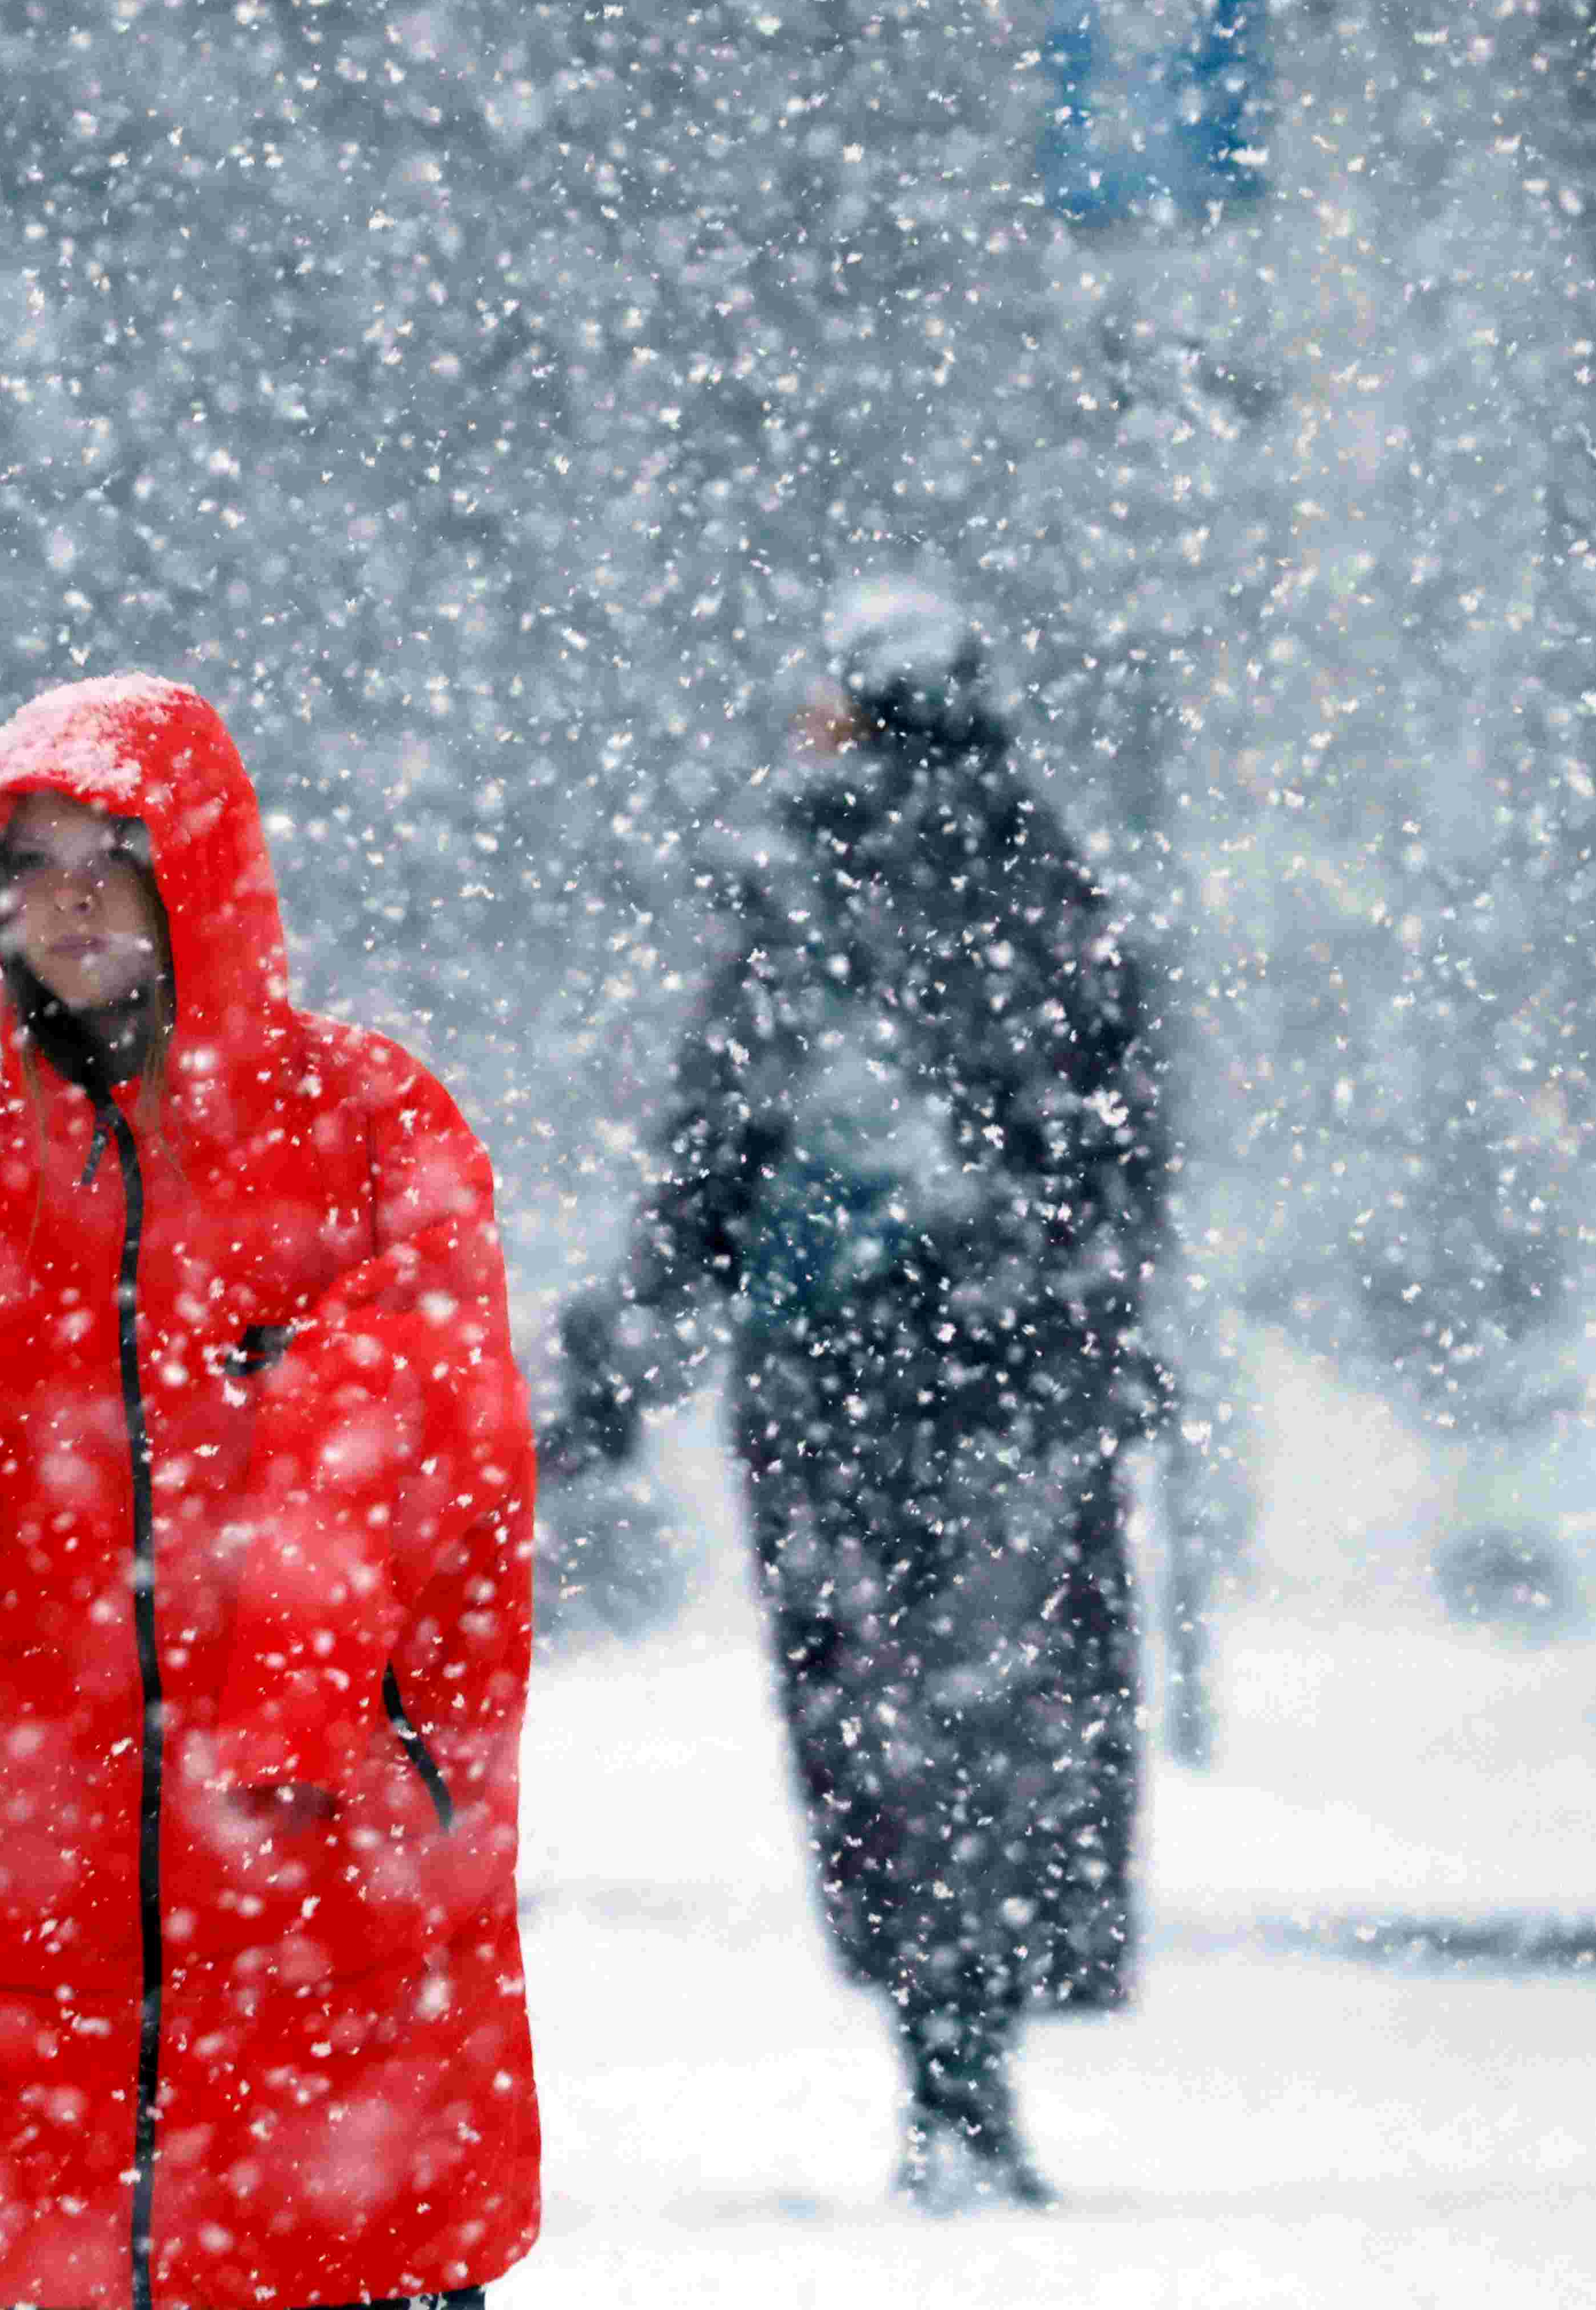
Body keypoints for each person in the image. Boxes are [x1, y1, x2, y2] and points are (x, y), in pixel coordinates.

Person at [0, 675, 538, 2310]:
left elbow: (423, 1438)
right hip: (38, 1915)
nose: (67, 900)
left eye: (108, 854)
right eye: (27, 864)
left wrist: (284, 1734)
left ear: (198, 866)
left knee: (344, 2261)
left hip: (328, 1906)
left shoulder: (368, 1124)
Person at [540, 585, 1168, 2211]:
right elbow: (1122, 1151)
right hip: (1023, 1378)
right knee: (1016, 1719)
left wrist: (619, 1364)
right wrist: (1098, 1322)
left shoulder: (815, 896)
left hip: (836, 1384)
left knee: (875, 1727)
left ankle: (942, 2068)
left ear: (860, 712)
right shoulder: (1057, 890)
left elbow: (716, 1151)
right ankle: (982, 2065)